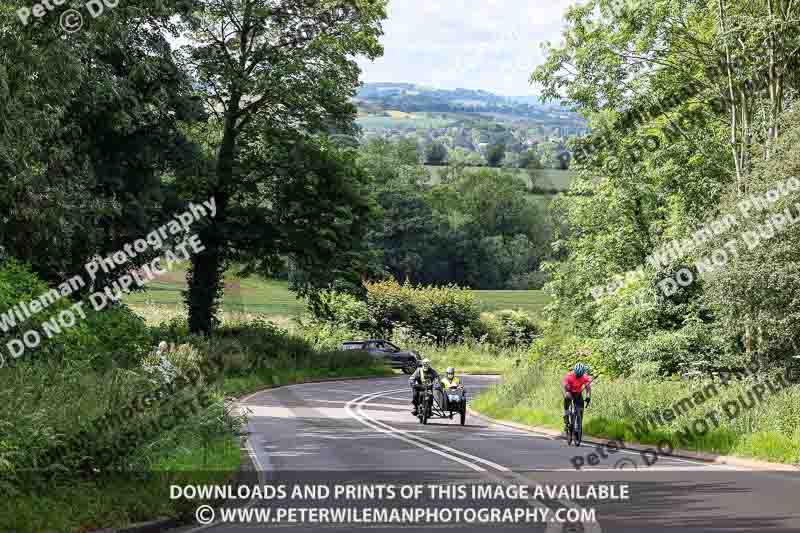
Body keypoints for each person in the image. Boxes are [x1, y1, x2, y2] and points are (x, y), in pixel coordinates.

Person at [562, 362, 592, 435]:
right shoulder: (569, 376)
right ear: (575, 372)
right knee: (567, 397)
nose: (578, 376)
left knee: (580, 409)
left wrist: (588, 397)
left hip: (578, 392)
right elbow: (565, 387)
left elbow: (588, 388)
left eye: (580, 375)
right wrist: (568, 393)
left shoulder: (584, 377)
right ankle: (566, 413)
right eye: (577, 375)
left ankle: (578, 425)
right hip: (569, 390)